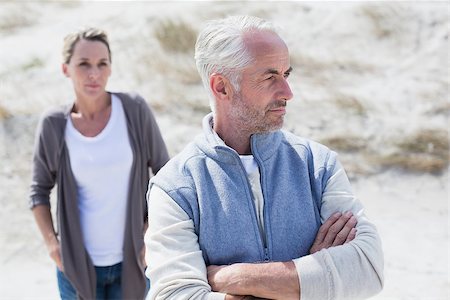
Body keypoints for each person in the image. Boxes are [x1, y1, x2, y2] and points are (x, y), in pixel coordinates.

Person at [144, 15, 384, 300]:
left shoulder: (317, 165)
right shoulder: (175, 188)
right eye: (270, 77)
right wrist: (312, 280)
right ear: (221, 87)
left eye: (287, 75)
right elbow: (175, 296)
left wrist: (232, 278)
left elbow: (368, 269)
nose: (288, 92)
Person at [29, 27, 170, 299]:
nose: (94, 73)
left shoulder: (134, 110)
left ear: (110, 68)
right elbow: (38, 191)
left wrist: (151, 231)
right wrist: (52, 245)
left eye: (102, 64)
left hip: (135, 261)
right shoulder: (54, 125)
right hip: (75, 267)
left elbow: (166, 174)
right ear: (65, 69)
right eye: (83, 64)